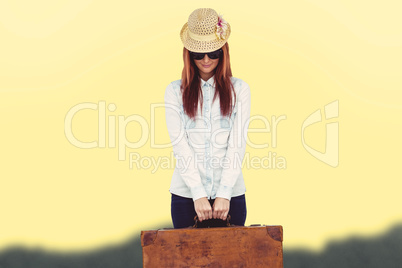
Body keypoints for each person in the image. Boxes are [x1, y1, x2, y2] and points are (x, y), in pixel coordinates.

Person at [164, 8, 251, 228]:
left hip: (230, 196)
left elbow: (237, 143)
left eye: (213, 53)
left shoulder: (239, 89)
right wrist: (198, 194)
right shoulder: (175, 91)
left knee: (236, 262)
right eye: (197, 54)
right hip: (186, 197)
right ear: (188, 54)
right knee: (185, 262)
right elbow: (180, 144)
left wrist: (223, 193)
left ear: (223, 52)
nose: (205, 60)